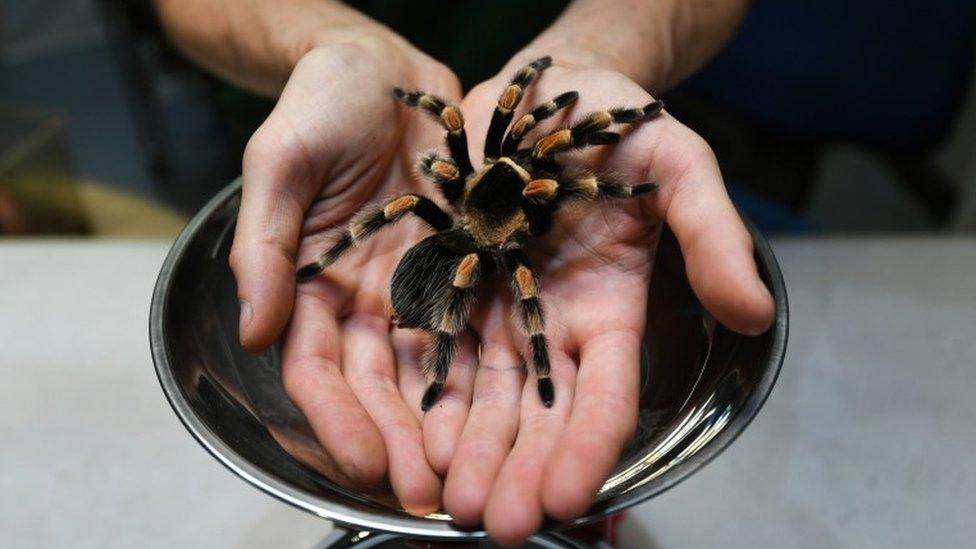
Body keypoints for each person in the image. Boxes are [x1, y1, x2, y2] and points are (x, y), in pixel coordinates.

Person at [154, 0, 774, 544]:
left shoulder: (483, 173)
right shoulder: (506, 200)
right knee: (439, 230)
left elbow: (510, 133)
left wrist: (579, 59)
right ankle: (431, 349)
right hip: (458, 256)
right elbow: (473, 132)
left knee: (437, 206)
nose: (527, 153)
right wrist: (359, 54)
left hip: (467, 236)